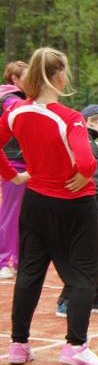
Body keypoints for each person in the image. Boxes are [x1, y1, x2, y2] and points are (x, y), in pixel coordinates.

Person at [0, 47, 98, 365]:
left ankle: (18, 345)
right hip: (75, 207)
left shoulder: (16, 111)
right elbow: (87, 161)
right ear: (59, 75)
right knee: (82, 274)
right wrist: (84, 175)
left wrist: (13, 175)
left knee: (30, 273)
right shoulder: (70, 117)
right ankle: (76, 346)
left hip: (35, 202)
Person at [56, 104, 98, 318]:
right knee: (85, 253)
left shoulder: (90, 142)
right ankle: (67, 300)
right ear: (90, 121)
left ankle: (95, 299)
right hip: (89, 202)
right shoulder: (81, 139)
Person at [0, 60, 28, 280]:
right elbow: (15, 109)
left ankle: (19, 259)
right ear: (15, 79)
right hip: (15, 164)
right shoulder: (11, 98)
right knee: (12, 213)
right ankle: (6, 261)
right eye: (26, 76)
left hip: (30, 164)